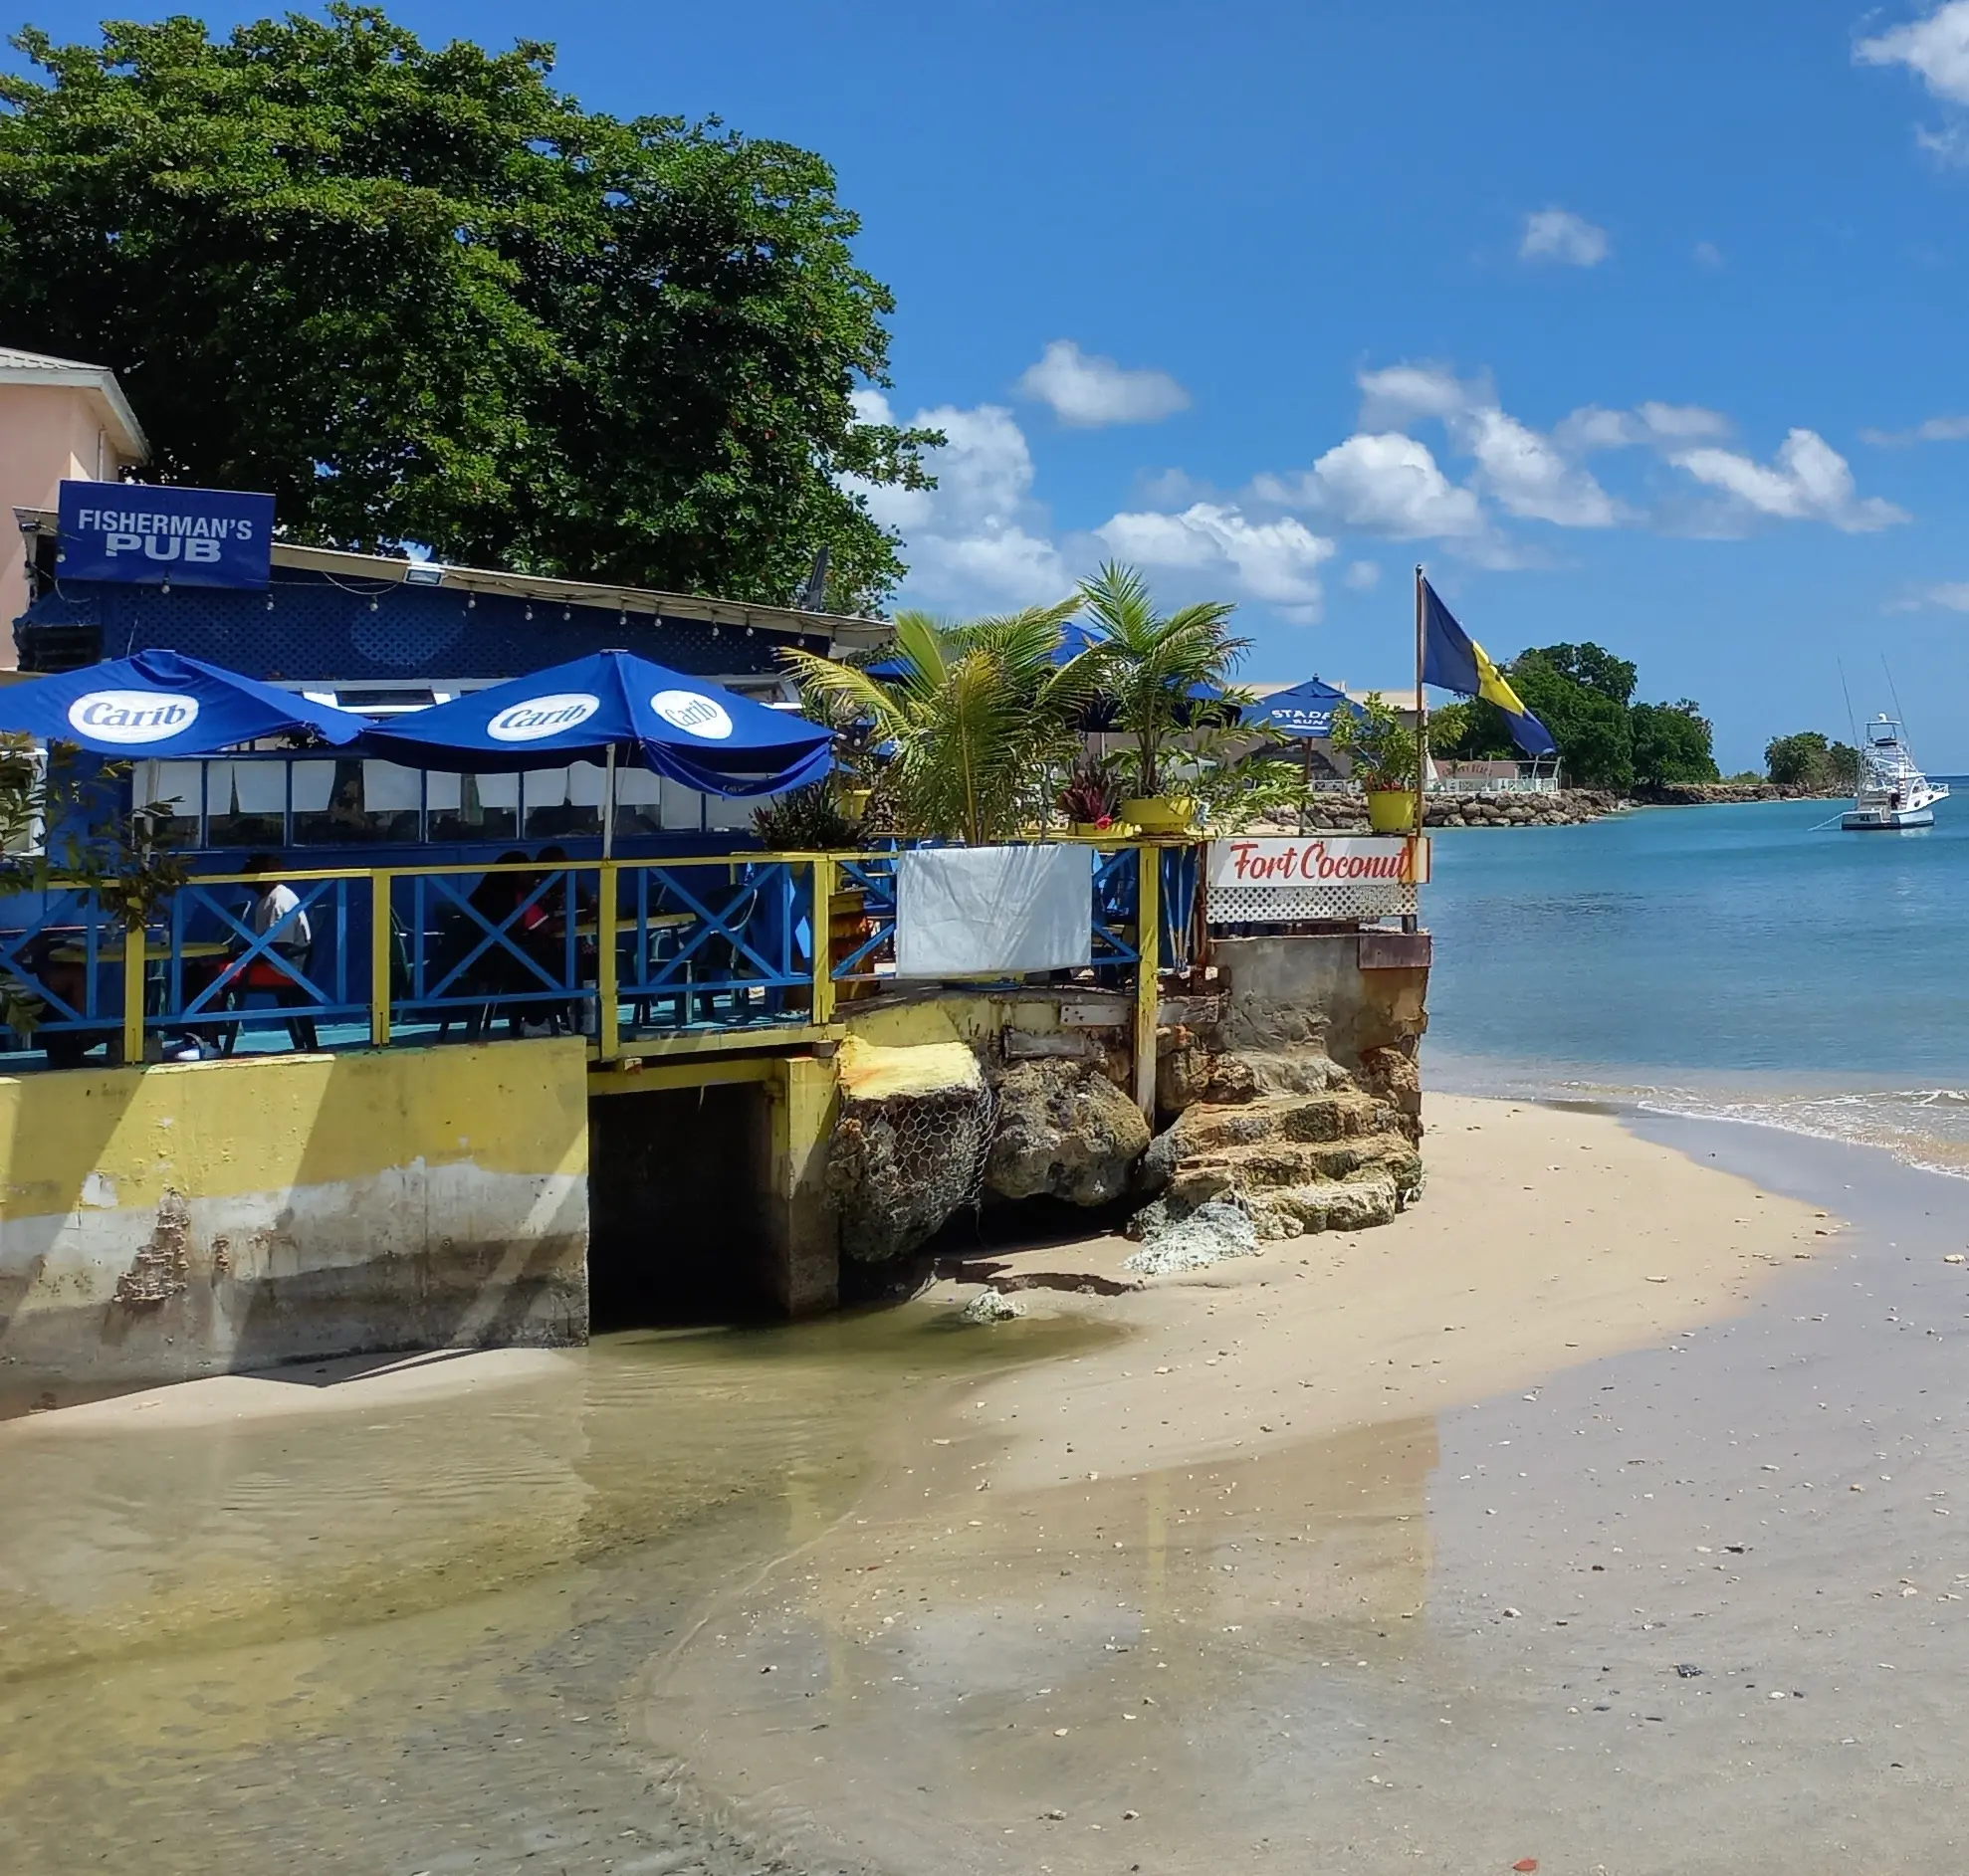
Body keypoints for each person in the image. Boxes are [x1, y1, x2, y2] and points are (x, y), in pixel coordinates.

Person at [234, 854, 319, 1052]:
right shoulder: (267, 899)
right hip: (277, 964)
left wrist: (245, 958)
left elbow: (280, 945)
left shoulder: (279, 899)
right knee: (212, 969)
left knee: (217, 976)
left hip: (284, 968)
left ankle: (211, 1042)